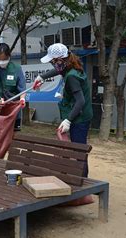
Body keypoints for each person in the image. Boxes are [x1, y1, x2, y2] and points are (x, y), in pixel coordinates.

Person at [33, 43, 93, 176]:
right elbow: (58, 70)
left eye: (52, 61)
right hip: (78, 114)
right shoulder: (70, 65)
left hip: (80, 118)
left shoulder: (72, 76)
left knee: (79, 151)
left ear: (59, 60)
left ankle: (82, 182)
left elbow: (80, 101)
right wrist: (42, 77)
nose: (51, 64)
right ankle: (73, 177)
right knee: (73, 149)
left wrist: (68, 121)